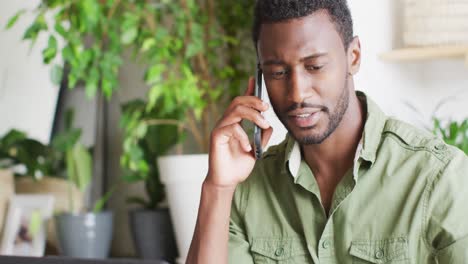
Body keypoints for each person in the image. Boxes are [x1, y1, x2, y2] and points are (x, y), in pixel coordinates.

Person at [186, 0, 468, 263]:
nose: (297, 93)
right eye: (278, 73)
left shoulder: (438, 177)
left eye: (315, 66)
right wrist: (218, 188)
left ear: (353, 57)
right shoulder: (247, 186)